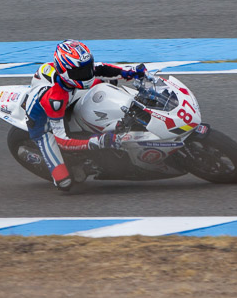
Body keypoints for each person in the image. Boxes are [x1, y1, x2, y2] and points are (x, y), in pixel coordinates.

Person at [24, 39, 148, 192]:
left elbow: (102, 69)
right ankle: (50, 162)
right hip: (42, 124)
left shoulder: (77, 71)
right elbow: (62, 141)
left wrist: (132, 73)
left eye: (88, 67)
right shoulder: (55, 100)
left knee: (108, 83)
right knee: (65, 183)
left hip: (71, 92)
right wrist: (98, 141)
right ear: (65, 72)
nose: (87, 74)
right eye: (81, 72)